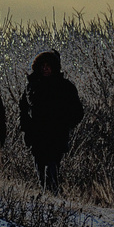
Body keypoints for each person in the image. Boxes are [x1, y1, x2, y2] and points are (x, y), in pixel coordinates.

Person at [18, 50, 84, 193]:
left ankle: (52, 194)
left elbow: (78, 112)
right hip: (37, 135)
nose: (45, 68)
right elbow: (23, 110)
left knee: (52, 165)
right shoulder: (32, 86)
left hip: (56, 134)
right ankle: (47, 195)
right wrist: (26, 129)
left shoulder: (65, 87)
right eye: (42, 65)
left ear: (54, 67)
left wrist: (65, 124)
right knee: (40, 167)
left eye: (48, 65)